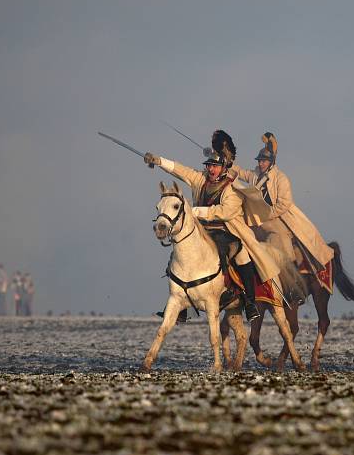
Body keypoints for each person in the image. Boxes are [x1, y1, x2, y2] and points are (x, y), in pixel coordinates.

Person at [143, 130, 283, 322]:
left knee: (241, 254)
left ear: (223, 166)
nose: (211, 169)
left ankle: (249, 302)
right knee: (178, 255)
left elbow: (225, 212)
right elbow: (181, 170)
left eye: (215, 166)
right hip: (201, 231)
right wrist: (159, 161)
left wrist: (197, 211)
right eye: (209, 165)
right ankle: (182, 306)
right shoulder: (200, 180)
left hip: (225, 231)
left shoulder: (231, 187)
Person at [230, 132, 334, 282]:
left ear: (271, 162)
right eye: (260, 161)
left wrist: (268, 214)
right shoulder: (255, 175)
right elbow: (240, 172)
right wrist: (227, 163)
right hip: (259, 219)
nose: (261, 164)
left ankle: (291, 278)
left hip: (278, 218)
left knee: (280, 241)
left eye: (264, 161)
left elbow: (284, 203)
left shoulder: (281, 178)